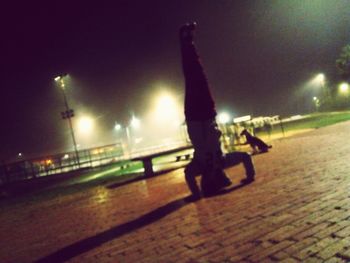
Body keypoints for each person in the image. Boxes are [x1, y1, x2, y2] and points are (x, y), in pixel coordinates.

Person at [180, 22, 255, 200]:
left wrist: (196, 194)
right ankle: (188, 41)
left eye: (220, 178)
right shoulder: (223, 161)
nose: (221, 175)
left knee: (191, 78)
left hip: (194, 118)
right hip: (207, 114)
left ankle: (185, 41)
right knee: (199, 76)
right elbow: (245, 157)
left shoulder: (199, 166)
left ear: (209, 180)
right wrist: (249, 178)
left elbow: (188, 174)